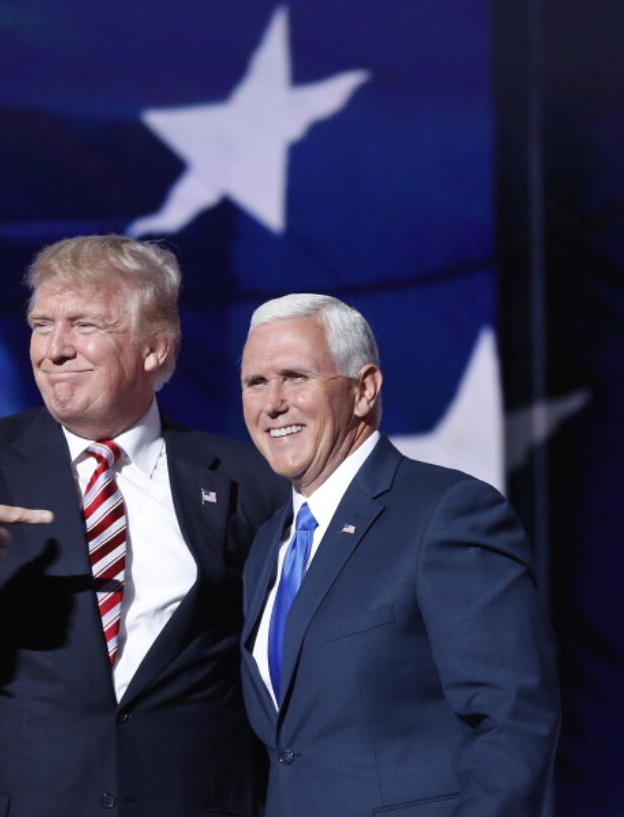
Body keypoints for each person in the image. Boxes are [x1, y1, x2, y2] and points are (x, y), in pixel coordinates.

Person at [0, 235, 287, 817]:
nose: (54, 349)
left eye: (84, 325)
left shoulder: (248, 481)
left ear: (154, 349)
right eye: (41, 324)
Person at [237, 293, 559, 817]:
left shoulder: (447, 512)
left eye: (295, 377)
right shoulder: (268, 544)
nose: (272, 403)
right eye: (256, 382)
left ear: (364, 390)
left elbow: (511, 715)